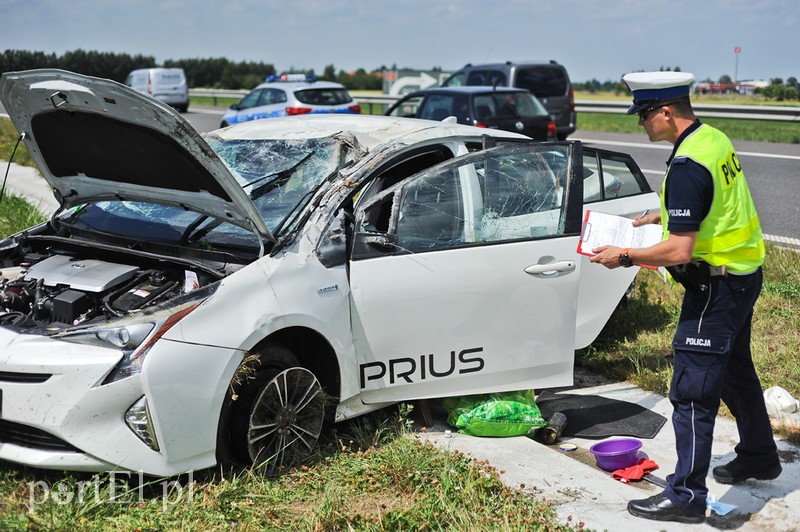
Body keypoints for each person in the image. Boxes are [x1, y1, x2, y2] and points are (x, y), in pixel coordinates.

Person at [589, 71, 781, 524]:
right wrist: (668, 210)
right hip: (742, 275)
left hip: (713, 287)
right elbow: (716, 201)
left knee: (693, 392)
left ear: (665, 112)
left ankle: (687, 496)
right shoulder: (710, 138)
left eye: (643, 115)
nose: (641, 124)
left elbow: (679, 250)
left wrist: (626, 255)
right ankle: (759, 455)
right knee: (735, 371)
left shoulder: (688, 164)